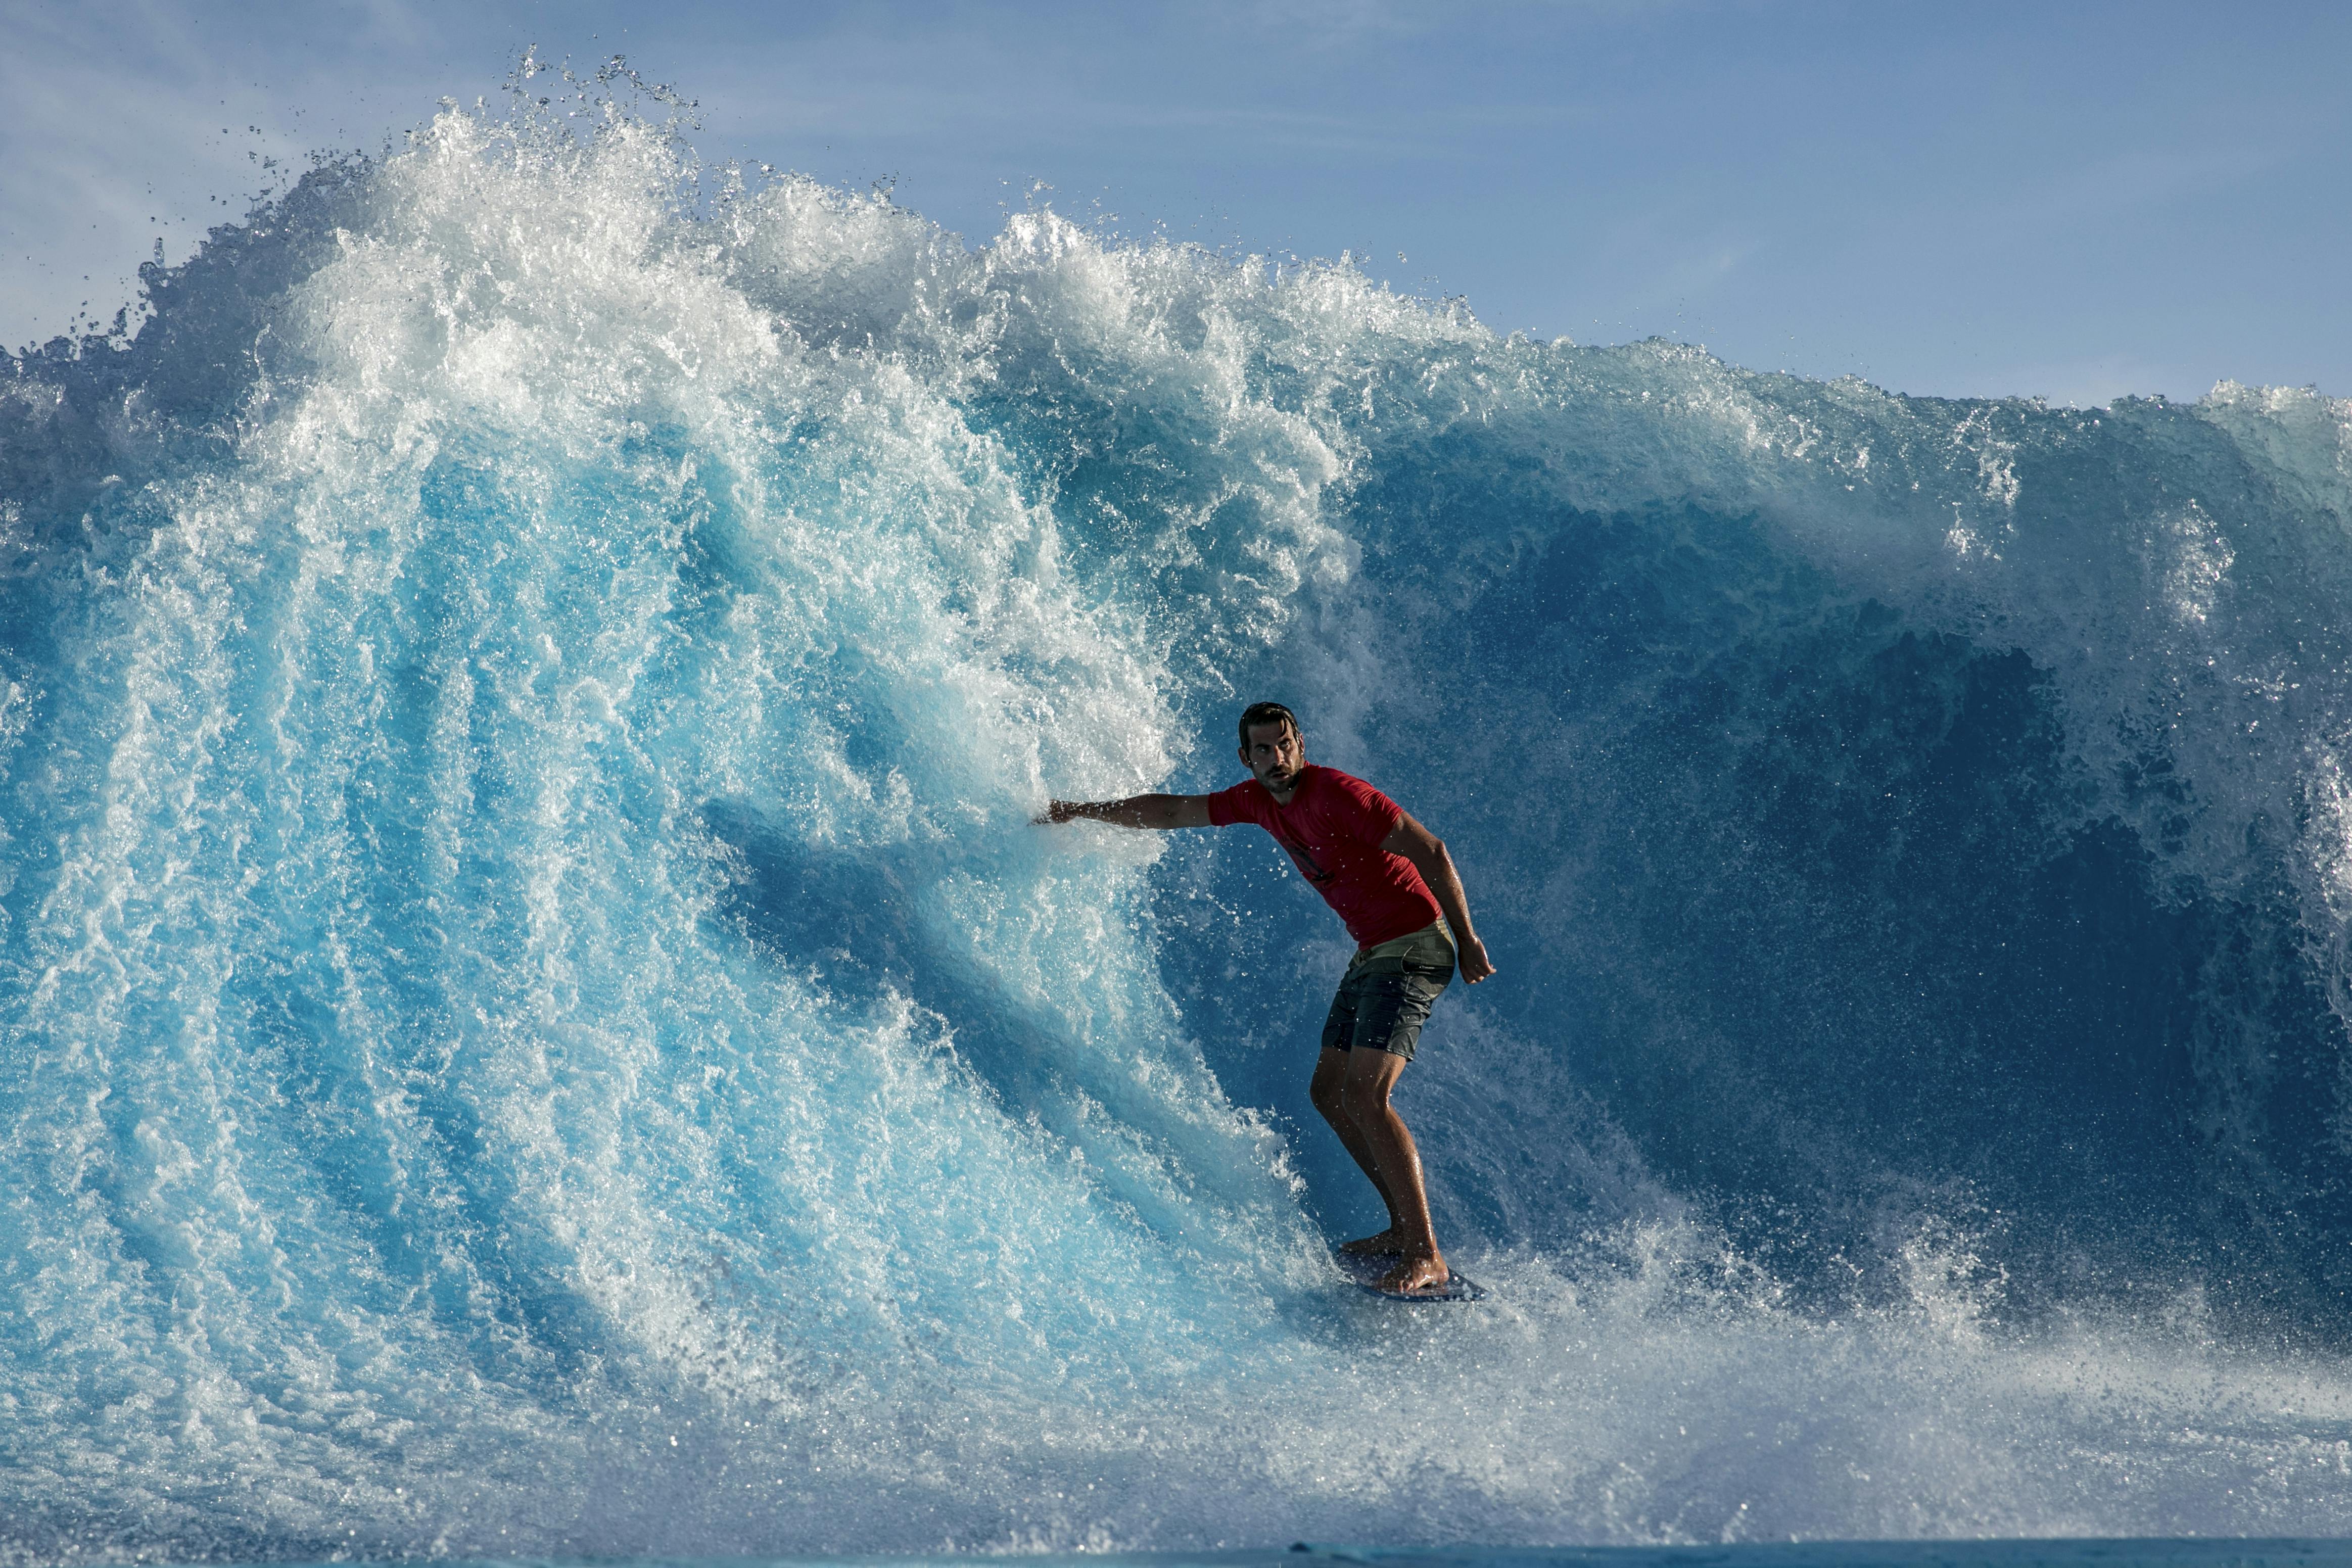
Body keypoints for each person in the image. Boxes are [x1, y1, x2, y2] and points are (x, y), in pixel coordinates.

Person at [1039, 700, 1495, 1295]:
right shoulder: (1254, 802)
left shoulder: (1340, 794)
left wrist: (1467, 941)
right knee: (1329, 1092)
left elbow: (1430, 850)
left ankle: (1424, 1253)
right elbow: (1173, 809)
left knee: (1367, 1092)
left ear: (1300, 744)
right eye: (1262, 749)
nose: (1275, 758)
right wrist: (1083, 811)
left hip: (1414, 945)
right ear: (1246, 758)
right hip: (1374, 951)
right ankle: (1399, 1229)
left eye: (1283, 744)